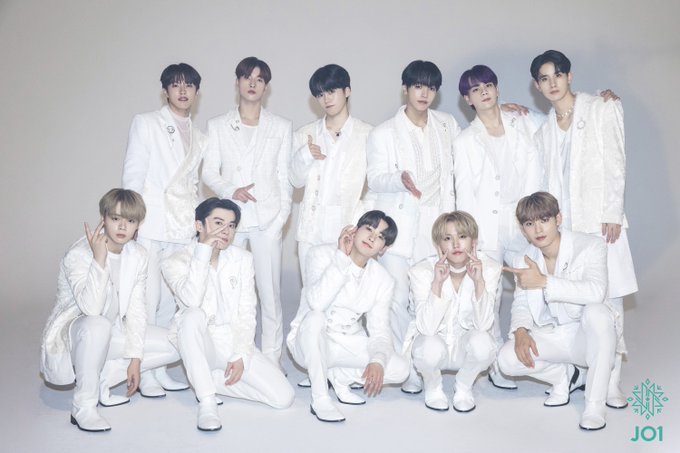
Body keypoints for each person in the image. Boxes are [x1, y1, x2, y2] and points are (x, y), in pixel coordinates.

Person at [530, 50, 637, 409]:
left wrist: (612, 212)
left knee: (611, 297)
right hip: (568, 230)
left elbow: (616, 162)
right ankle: (584, 370)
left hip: (601, 221)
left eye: (558, 75)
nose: (553, 83)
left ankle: (611, 381)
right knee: (576, 301)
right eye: (544, 78)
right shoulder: (544, 129)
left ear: (570, 76)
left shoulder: (601, 107)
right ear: (537, 86)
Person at [40, 189, 181, 432]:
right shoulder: (79, 253)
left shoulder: (138, 254)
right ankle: (84, 406)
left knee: (175, 341)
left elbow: (136, 310)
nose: (122, 226)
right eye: (115, 218)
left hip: (113, 331)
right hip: (76, 335)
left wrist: (136, 359)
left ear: (138, 225)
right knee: (98, 325)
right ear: (103, 218)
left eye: (131, 220)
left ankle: (104, 378)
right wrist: (99, 259)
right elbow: (91, 309)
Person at [364, 60, 461, 393]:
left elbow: (465, 155)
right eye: (418, 86)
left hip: (437, 225)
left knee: (429, 294)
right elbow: (374, 178)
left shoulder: (447, 124)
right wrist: (399, 179)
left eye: (431, 87)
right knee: (396, 298)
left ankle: (425, 361)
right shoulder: (383, 133)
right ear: (405, 89)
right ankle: (406, 367)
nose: (424, 93)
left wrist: (502, 111)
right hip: (400, 224)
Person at [161, 198, 294, 431]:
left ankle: (207, 379)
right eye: (218, 223)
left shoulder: (242, 259)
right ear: (199, 225)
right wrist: (203, 252)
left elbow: (247, 312)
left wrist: (241, 354)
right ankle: (207, 401)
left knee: (283, 397)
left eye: (231, 225)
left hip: (231, 340)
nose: (226, 231)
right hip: (200, 339)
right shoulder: (175, 261)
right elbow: (192, 300)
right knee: (191, 316)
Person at [453, 65, 543, 390]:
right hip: (486, 222)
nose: (484, 92)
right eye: (476, 90)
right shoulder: (465, 140)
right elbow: (463, 191)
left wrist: (601, 99)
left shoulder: (523, 121)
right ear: (468, 99)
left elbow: (560, 120)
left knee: (530, 282)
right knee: (488, 292)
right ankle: (494, 363)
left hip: (524, 217)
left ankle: (534, 350)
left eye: (488, 85)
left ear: (497, 89)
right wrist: (469, 235)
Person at [498, 192, 617, 430]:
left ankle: (595, 407)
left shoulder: (590, 246)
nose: (538, 229)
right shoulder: (524, 258)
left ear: (558, 219)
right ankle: (566, 376)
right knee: (506, 360)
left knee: (598, 313)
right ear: (523, 230)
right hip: (552, 333)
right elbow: (521, 303)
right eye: (529, 224)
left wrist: (544, 281)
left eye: (544, 220)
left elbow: (596, 292)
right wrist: (520, 330)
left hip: (586, 335)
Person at [202, 56, 293, 368]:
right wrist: (231, 191)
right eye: (247, 77)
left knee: (270, 294)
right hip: (232, 222)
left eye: (259, 79)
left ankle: (271, 359)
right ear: (237, 83)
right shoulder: (217, 125)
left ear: (266, 87)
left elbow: (284, 177)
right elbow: (209, 172)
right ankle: (232, 356)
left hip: (267, 220)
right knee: (230, 292)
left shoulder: (281, 127)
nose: (252, 83)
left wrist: (279, 220)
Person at [122, 63, 206, 395]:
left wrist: (196, 225)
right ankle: (144, 372)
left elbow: (193, 184)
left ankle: (160, 368)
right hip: (152, 222)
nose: (182, 91)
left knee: (173, 300)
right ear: (165, 91)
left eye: (189, 85)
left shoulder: (199, 136)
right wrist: (132, 220)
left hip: (182, 226)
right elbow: (133, 173)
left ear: (196, 92)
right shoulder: (146, 123)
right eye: (175, 85)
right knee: (148, 298)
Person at [287, 211, 410, 422]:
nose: (372, 237)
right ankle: (320, 399)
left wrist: (377, 361)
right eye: (369, 229)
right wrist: (341, 260)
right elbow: (316, 303)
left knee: (401, 369)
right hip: (309, 339)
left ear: (383, 249)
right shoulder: (320, 254)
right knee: (315, 318)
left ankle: (339, 376)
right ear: (354, 230)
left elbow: (380, 330)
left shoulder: (383, 280)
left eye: (380, 236)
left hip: (346, 342)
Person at [405, 211, 499, 412]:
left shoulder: (490, 268)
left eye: (462, 236)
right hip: (434, 344)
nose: (456, 244)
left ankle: (463, 387)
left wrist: (479, 282)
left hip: (464, 347)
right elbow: (426, 328)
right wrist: (437, 284)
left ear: (473, 241)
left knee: (484, 344)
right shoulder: (421, 271)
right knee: (428, 347)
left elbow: (484, 325)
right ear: (439, 245)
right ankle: (433, 387)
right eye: (448, 238)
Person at [290, 63, 372, 282]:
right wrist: (305, 155)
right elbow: (295, 181)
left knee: (348, 293)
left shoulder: (367, 134)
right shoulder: (305, 134)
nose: (326, 99)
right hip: (311, 229)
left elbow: (375, 184)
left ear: (347, 91)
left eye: (331, 91)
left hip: (348, 227)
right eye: (320, 94)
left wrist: (362, 216)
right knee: (311, 294)